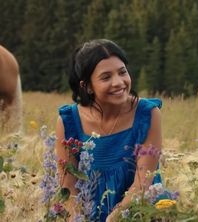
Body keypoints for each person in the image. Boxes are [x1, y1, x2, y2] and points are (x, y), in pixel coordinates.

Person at [55, 39, 162, 222]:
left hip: (138, 209)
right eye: (106, 77)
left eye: (122, 72)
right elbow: (68, 187)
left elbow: (143, 182)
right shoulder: (69, 122)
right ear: (87, 86)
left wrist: (116, 217)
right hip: (86, 211)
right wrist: (78, 218)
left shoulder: (147, 114)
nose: (119, 82)